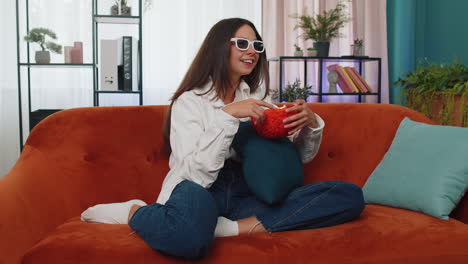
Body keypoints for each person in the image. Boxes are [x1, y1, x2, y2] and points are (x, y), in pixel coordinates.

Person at [81, 18, 365, 260]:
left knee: (348, 197)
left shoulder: (260, 100)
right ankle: (135, 212)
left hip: (248, 192)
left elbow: (289, 161)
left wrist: (309, 125)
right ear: (219, 48)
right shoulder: (189, 102)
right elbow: (195, 176)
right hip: (201, 190)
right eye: (242, 43)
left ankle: (230, 228)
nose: (252, 51)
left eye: (257, 45)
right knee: (189, 240)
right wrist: (228, 116)